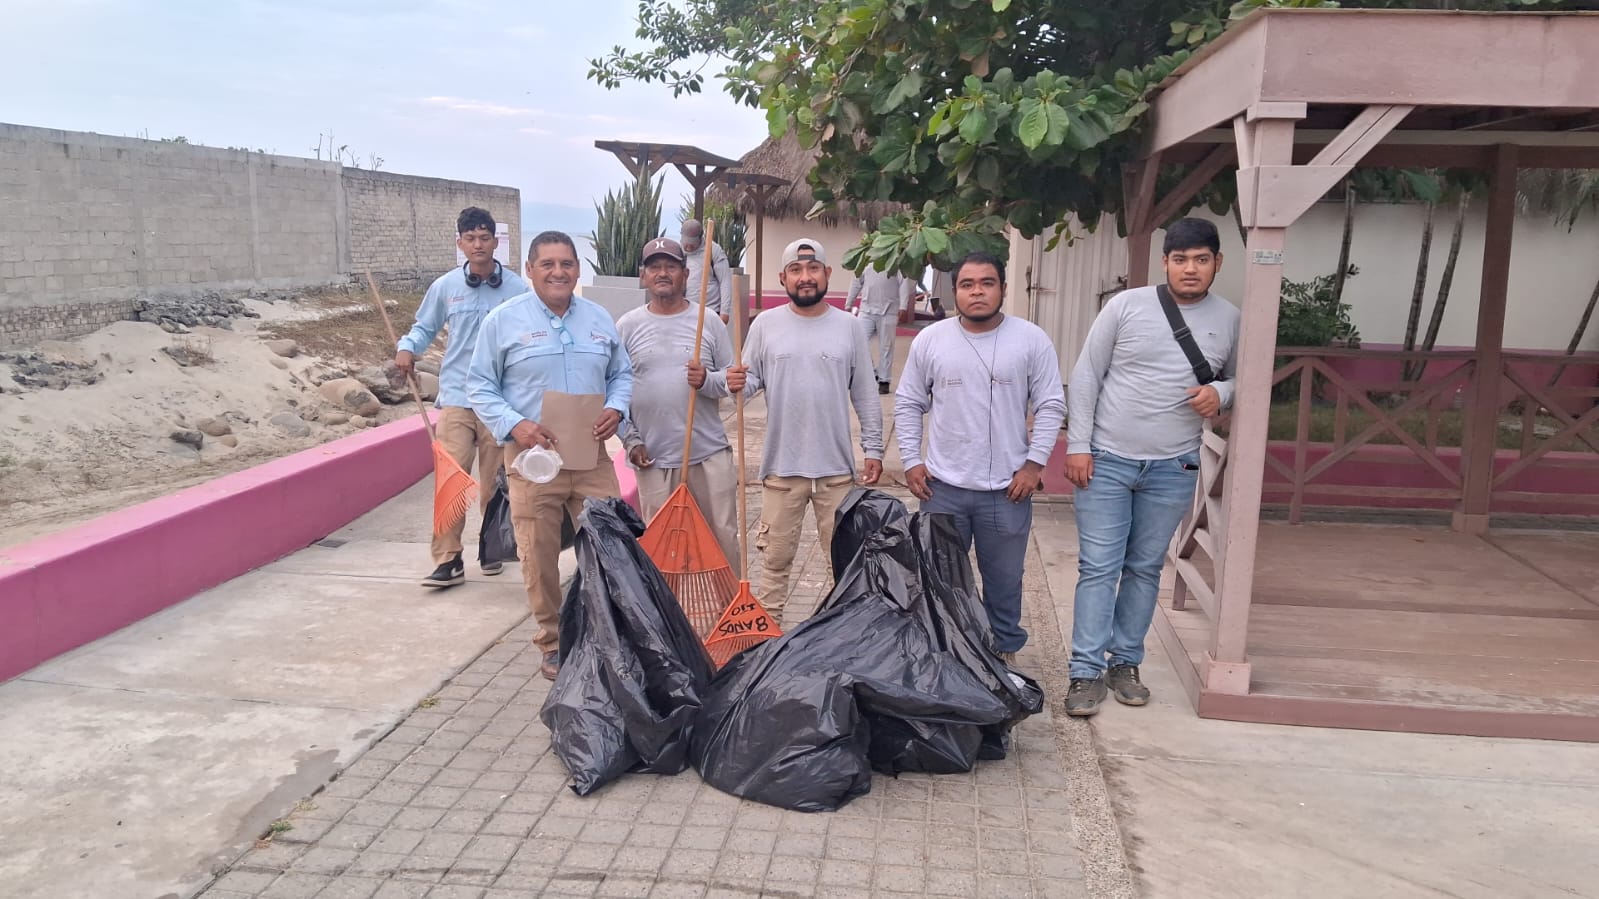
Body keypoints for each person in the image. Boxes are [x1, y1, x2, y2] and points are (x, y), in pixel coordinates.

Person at [1063, 217, 1239, 716]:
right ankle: (1084, 672)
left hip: (1173, 466)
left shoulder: (1229, 318)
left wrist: (1221, 392)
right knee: (1098, 567)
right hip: (1108, 460)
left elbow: (1244, 379)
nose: (1190, 269)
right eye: (1180, 259)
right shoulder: (1125, 306)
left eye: (1201, 259)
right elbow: (1086, 373)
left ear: (1217, 264)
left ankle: (1125, 663)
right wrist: (1078, 445)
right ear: (1165, 263)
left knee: (1143, 568)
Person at [468, 231, 633, 680]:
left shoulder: (599, 319)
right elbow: (479, 384)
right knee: (537, 554)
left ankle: (610, 633)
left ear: (578, 269)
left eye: (567, 264)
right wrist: (514, 424)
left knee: (609, 543)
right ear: (531, 270)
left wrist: (617, 407)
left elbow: (622, 375)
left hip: (591, 457)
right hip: (532, 460)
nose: (558, 272)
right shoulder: (504, 321)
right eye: (548, 264)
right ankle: (552, 640)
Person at [896, 251, 1065, 663]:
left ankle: (1003, 660)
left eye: (987, 283)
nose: (977, 292)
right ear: (954, 292)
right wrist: (910, 461)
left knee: (1004, 582)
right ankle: (947, 659)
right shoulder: (931, 341)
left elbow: (1051, 404)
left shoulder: (1030, 340)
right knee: (940, 580)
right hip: (943, 489)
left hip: (1007, 491)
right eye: (967, 285)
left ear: (1003, 289)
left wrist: (1034, 464)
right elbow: (907, 402)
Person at [742, 237, 883, 624]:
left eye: (813, 269)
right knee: (773, 563)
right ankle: (766, 645)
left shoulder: (850, 327)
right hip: (781, 470)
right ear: (782, 277)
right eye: (796, 270)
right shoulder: (765, 325)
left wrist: (874, 449)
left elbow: (866, 394)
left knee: (845, 565)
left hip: (836, 471)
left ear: (827, 274)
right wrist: (723, 381)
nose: (805, 277)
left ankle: (844, 640)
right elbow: (747, 382)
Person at [395, 206, 529, 589]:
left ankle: (492, 548)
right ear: (460, 243)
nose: (478, 244)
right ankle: (448, 560)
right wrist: (407, 349)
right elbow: (423, 327)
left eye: (485, 237)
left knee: (494, 485)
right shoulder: (446, 287)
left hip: (500, 403)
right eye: (470, 238)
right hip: (455, 397)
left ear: (495, 242)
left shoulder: (518, 289)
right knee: (451, 481)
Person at [616, 237, 747, 569]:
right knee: (662, 551)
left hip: (708, 454)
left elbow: (732, 383)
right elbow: (613, 394)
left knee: (723, 542)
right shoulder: (627, 326)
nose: (663, 273)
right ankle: (667, 618)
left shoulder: (709, 322)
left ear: (685, 274)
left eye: (671, 266)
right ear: (642, 275)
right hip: (653, 460)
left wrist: (706, 381)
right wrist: (630, 441)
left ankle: (726, 615)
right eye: (655, 266)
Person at [844, 265, 904, 394]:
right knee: (858, 341)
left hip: (889, 311)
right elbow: (856, 282)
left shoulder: (896, 264)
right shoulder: (865, 263)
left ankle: (884, 380)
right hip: (866, 310)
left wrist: (903, 306)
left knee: (886, 346)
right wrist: (849, 303)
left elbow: (904, 283)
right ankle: (872, 373)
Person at [680, 218, 733, 322]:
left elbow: (725, 281)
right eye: (686, 243)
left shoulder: (713, 250)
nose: (688, 247)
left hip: (711, 311)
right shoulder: (678, 251)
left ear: (700, 238)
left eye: (692, 243)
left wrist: (724, 312)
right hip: (686, 312)